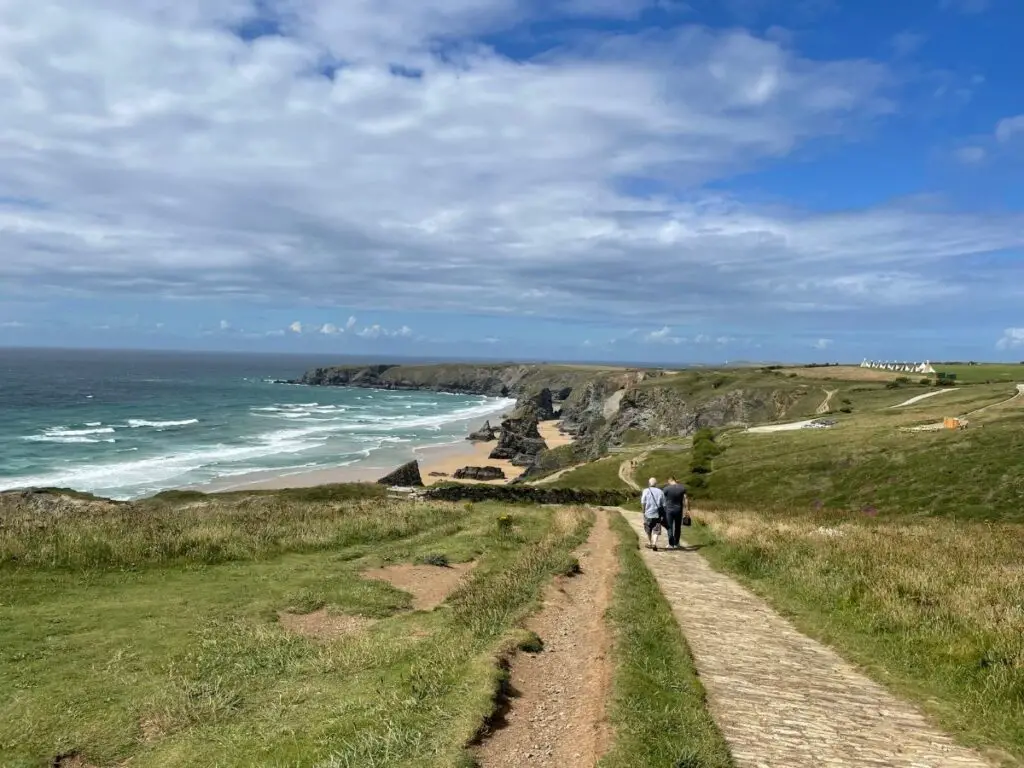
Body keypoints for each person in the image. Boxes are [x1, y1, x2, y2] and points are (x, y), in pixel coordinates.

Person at [662, 475, 689, 549]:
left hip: (669, 510)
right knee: (677, 527)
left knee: (669, 527)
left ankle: (671, 544)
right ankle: (677, 543)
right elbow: (686, 499)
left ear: (669, 480)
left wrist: (662, 509)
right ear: (675, 480)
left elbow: (662, 499)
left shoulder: (666, 489)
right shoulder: (682, 488)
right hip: (679, 509)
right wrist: (687, 509)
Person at [640, 477, 666, 551]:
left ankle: (650, 542)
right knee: (656, 529)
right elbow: (664, 505)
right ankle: (654, 543)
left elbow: (643, 502)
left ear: (649, 483)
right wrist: (663, 514)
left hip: (648, 513)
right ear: (656, 484)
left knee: (648, 528)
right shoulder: (661, 492)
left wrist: (643, 511)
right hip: (657, 514)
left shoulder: (645, 491)